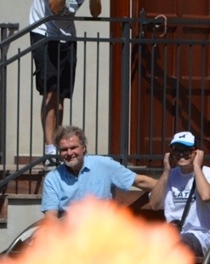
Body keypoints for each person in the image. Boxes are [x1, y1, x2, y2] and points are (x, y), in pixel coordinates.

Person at [29, 0, 101, 163]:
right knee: (51, 91)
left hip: (67, 36)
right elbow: (55, 8)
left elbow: (96, 12)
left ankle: (56, 146)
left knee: (61, 95)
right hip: (44, 32)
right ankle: (50, 150)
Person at [40, 125, 156, 223]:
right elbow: (50, 217)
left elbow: (139, 181)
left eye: (74, 147)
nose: (69, 153)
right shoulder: (53, 178)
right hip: (71, 236)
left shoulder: (104, 165)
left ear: (83, 148)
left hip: (102, 233)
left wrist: (169, 186)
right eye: (64, 149)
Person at [148, 131, 210, 258]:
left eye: (187, 150)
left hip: (199, 237)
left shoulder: (209, 173)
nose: (182, 154)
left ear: (196, 152)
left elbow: (206, 196)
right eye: (177, 150)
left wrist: (197, 166)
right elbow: (154, 205)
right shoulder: (169, 176)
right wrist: (166, 172)